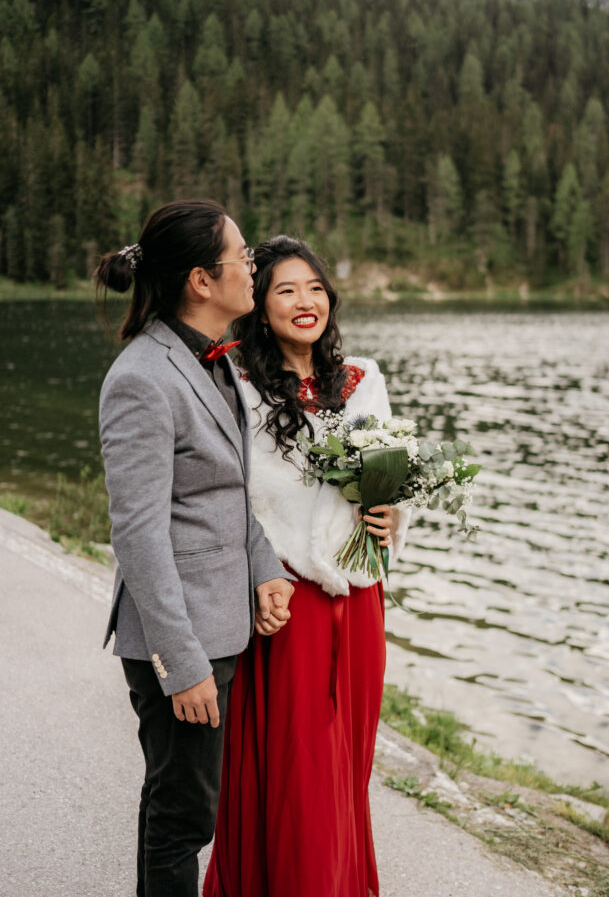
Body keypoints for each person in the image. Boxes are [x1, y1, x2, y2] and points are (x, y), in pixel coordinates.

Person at [95, 200, 295, 897]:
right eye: (243, 257)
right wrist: (181, 665)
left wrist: (265, 568)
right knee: (182, 816)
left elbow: (225, 492)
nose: (254, 268)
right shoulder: (141, 378)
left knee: (182, 804)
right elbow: (139, 534)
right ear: (201, 281)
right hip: (180, 639)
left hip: (220, 623)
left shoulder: (213, 362)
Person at [203, 236, 409, 897]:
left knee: (344, 771)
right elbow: (227, 496)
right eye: (286, 289)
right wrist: (253, 579)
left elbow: (389, 480)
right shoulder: (234, 384)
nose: (304, 301)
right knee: (299, 773)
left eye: (315, 288)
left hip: (360, 599)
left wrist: (392, 516)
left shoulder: (363, 381)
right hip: (285, 603)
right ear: (259, 305)